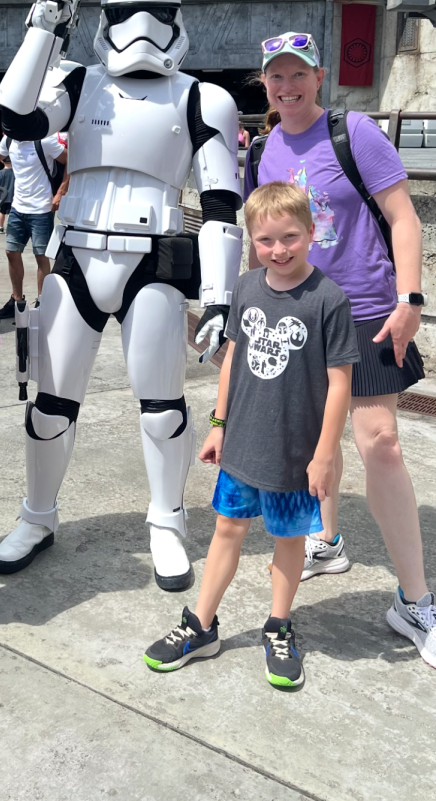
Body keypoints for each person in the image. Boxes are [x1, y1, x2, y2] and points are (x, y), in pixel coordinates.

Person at [0, 0, 243, 590]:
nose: (142, 30)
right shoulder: (78, 82)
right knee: (50, 405)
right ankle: (37, 516)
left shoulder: (203, 98)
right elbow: (14, 118)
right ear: (104, 21)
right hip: (74, 256)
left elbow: (220, 207)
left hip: (153, 261)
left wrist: (219, 299)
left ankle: (166, 522)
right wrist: (42, 27)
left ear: (177, 19)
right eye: (126, 15)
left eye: (156, 14)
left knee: (161, 406)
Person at [243, 30, 436, 668]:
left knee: (378, 440)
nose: (286, 86)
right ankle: (327, 539)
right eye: (276, 76)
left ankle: (414, 602)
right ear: (264, 83)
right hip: (296, 312)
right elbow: (260, 237)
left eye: (298, 74)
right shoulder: (263, 147)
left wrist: (412, 299)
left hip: (368, 308)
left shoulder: (354, 132)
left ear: (319, 76)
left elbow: (403, 217)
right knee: (304, 434)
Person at [144, 182, 358, 688]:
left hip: (294, 452)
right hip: (242, 442)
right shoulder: (246, 288)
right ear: (251, 241)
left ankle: (278, 627)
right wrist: (219, 424)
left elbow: (340, 383)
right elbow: (232, 359)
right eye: (265, 240)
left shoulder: (328, 300)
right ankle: (201, 625)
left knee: (287, 540)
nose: (278, 250)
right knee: (227, 530)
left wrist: (325, 454)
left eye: (290, 237)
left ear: (312, 232)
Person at [0, 133, 67, 326]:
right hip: (17, 207)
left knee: (41, 256)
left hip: (41, 208)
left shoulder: (44, 140)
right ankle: (17, 301)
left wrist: (61, 192)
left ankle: (43, 302)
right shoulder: (10, 140)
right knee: (11, 252)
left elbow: (68, 160)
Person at [0, 156, 14, 233]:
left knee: (2, 212)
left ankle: (1, 227)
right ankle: (9, 228)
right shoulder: (15, 172)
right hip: (13, 196)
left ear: (2, 161)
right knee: (10, 213)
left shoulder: (0, 173)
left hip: (3, 197)